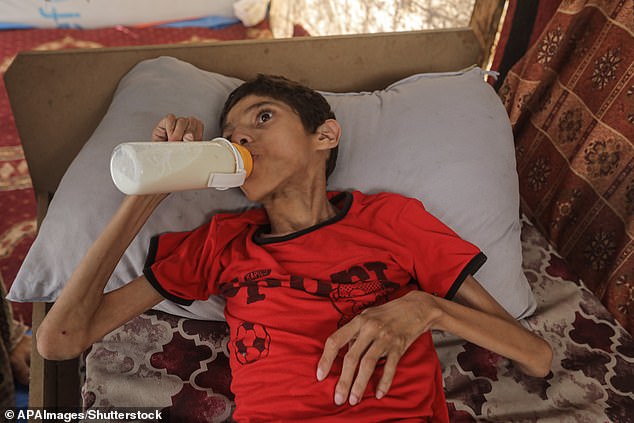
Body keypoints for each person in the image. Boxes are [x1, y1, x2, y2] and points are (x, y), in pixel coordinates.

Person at [37, 74, 552, 422]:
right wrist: (149, 192)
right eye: (231, 135)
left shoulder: (392, 220)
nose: (243, 140)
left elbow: (536, 356)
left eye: (262, 118)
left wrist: (429, 308)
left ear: (324, 135)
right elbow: (59, 340)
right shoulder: (221, 245)